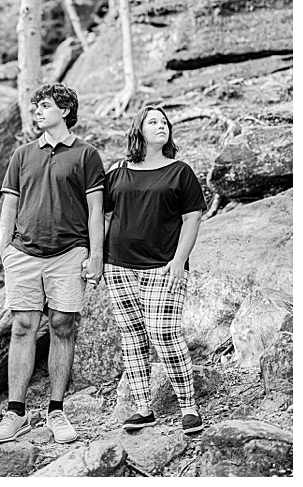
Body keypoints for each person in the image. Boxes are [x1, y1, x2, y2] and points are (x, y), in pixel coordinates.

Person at [0, 83, 104, 446]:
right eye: (36, 105)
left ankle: (56, 410)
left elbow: (97, 210)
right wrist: (5, 248)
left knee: (62, 324)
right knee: (23, 326)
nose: (38, 111)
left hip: (69, 253)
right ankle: (15, 412)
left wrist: (96, 254)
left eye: (46, 105)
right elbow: (9, 205)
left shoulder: (86, 155)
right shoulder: (22, 154)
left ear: (66, 111)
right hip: (23, 253)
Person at [101, 106, 206, 436]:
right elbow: (102, 215)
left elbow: (192, 219)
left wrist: (178, 260)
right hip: (118, 265)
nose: (161, 126)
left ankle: (188, 407)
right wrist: (97, 258)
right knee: (132, 337)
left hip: (164, 266)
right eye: (154, 122)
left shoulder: (180, 172)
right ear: (139, 131)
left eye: (165, 123)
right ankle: (143, 408)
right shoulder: (118, 172)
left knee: (163, 333)